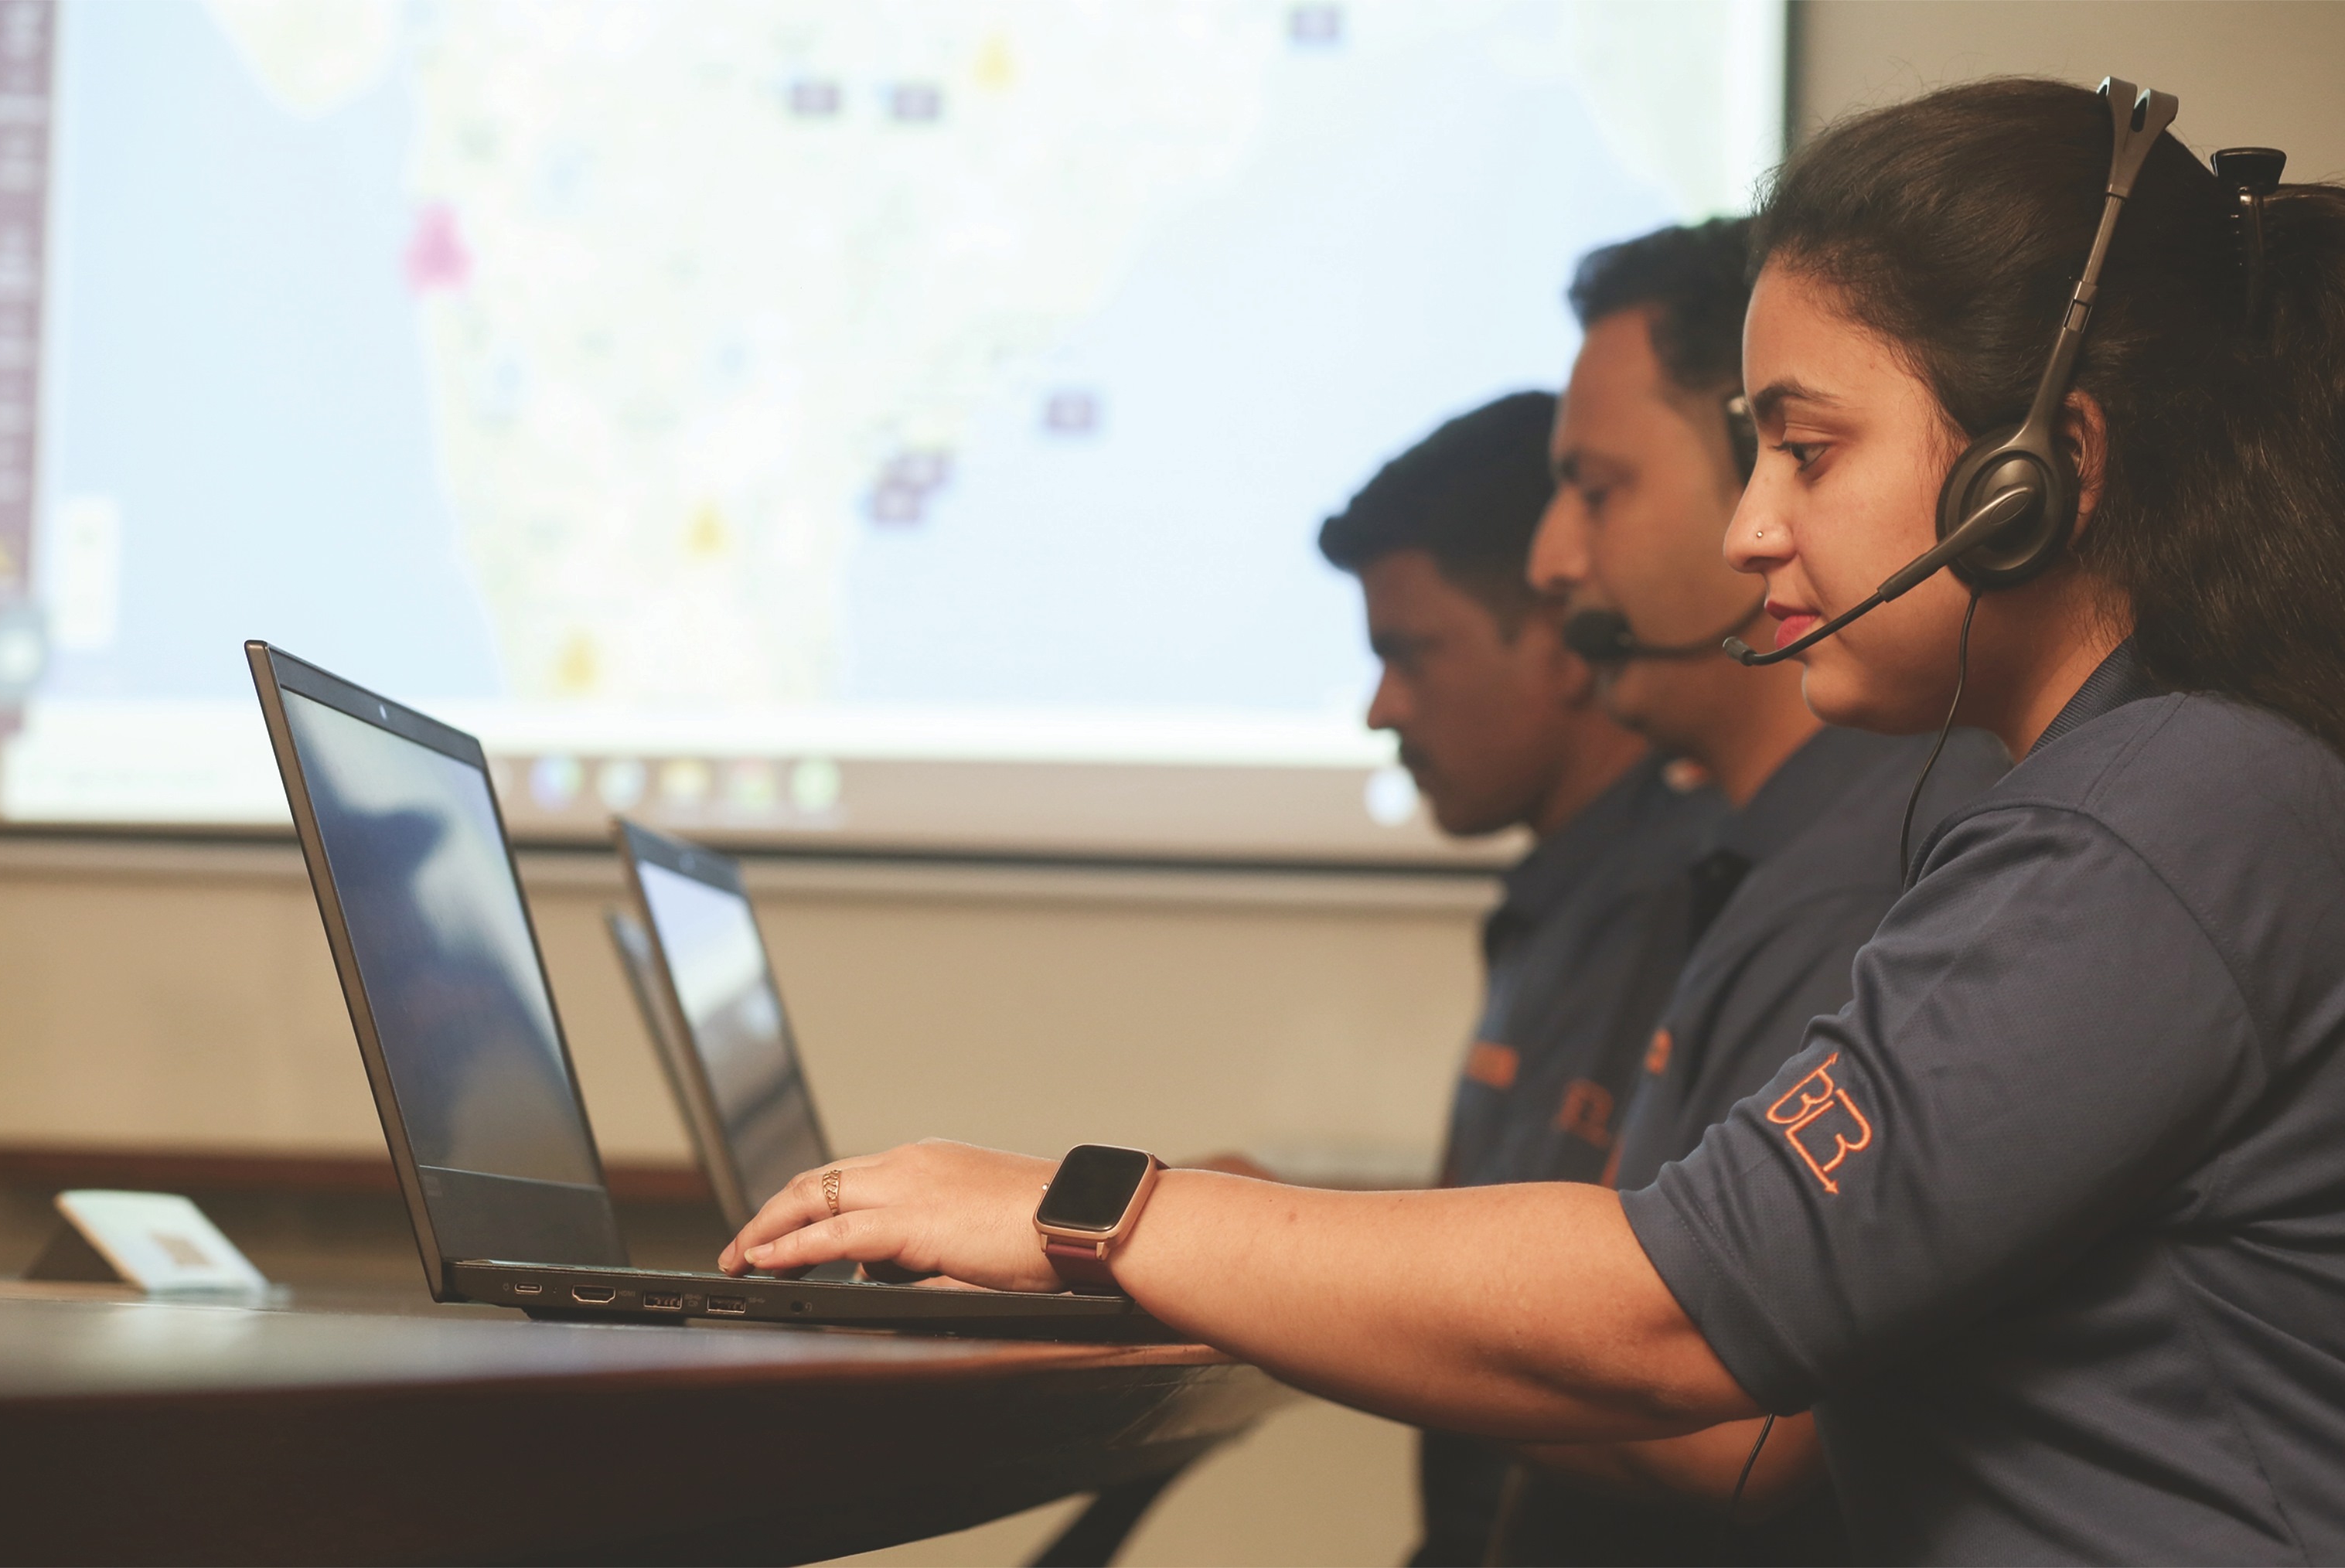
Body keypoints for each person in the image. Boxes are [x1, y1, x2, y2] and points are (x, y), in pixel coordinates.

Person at [721, 77, 2345, 1563]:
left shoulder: (2164, 817)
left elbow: (1676, 1317)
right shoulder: (2130, 794)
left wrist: (1083, 1211)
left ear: (2036, 475)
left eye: (1804, 450)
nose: (1753, 529)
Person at [1507, 222, 2006, 1560]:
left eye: (1598, 490)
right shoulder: (1730, 857)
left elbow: (1726, 1428)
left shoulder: (1892, 862)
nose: (1553, 561)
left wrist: (1256, 1289)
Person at [1316, 390, 1720, 1564]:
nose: (1382, 708)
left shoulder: (1681, 905)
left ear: (1555, 638)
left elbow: (1563, 1342)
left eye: (1410, 653)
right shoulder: (1553, 905)